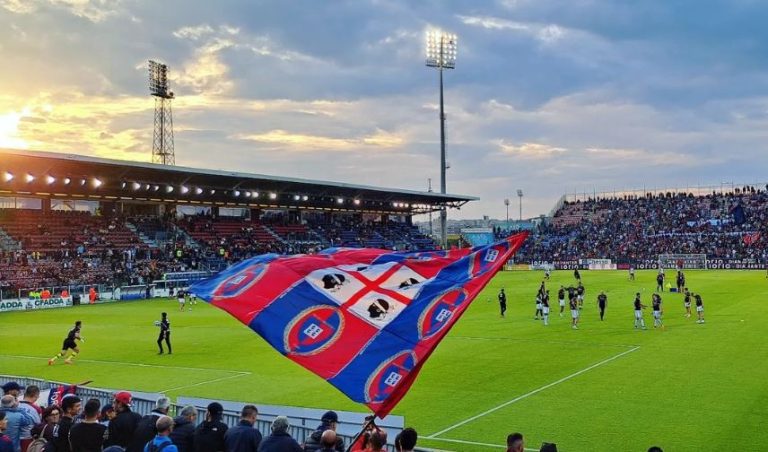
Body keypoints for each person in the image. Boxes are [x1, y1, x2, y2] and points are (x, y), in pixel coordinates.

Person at [17, 385, 41, 452]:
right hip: (28, 441)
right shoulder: (36, 409)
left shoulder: (15, 405)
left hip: (14, 439)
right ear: (35, 395)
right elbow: (39, 426)